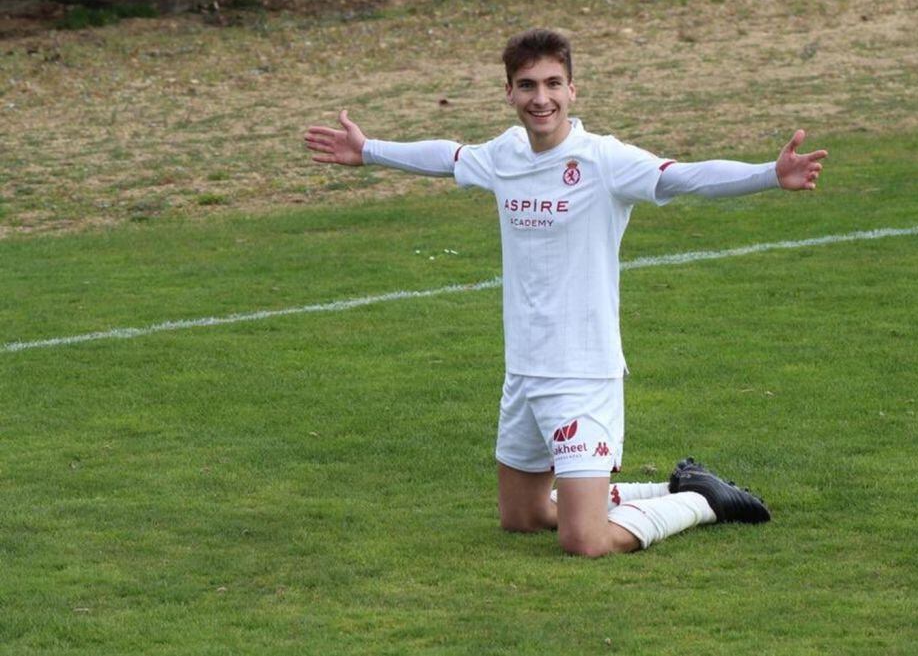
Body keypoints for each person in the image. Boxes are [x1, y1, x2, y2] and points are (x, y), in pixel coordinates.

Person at [305, 28, 826, 557]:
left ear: (573, 90)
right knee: (524, 517)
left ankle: (705, 504)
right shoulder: (505, 154)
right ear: (509, 93)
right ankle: (673, 488)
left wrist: (769, 174)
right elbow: (448, 156)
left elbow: (684, 177)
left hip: (582, 372)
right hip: (523, 371)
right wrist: (368, 150)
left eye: (553, 83)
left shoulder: (603, 160)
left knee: (586, 540)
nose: (541, 98)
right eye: (527, 85)